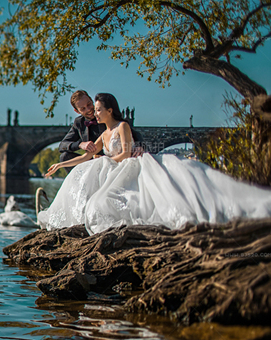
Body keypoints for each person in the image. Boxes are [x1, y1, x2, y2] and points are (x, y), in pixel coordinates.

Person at [40, 93, 271, 234]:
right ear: (77, 111)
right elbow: (74, 150)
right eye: (87, 109)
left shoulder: (122, 125)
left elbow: (129, 146)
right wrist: (62, 165)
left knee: (109, 184)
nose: (92, 111)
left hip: (123, 163)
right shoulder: (88, 127)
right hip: (106, 163)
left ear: (107, 109)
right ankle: (67, 213)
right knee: (83, 168)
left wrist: (113, 156)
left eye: (95, 107)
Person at [58, 90, 143, 172]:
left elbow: (132, 133)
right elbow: (62, 145)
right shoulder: (79, 123)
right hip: (93, 160)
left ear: (92, 100)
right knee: (64, 157)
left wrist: (140, 146)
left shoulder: (106, 115)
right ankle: (80, 183)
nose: (88, 110)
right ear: (77, 111)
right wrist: (80, 144)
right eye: (83, 108)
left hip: (112, 161)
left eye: (89, 104)